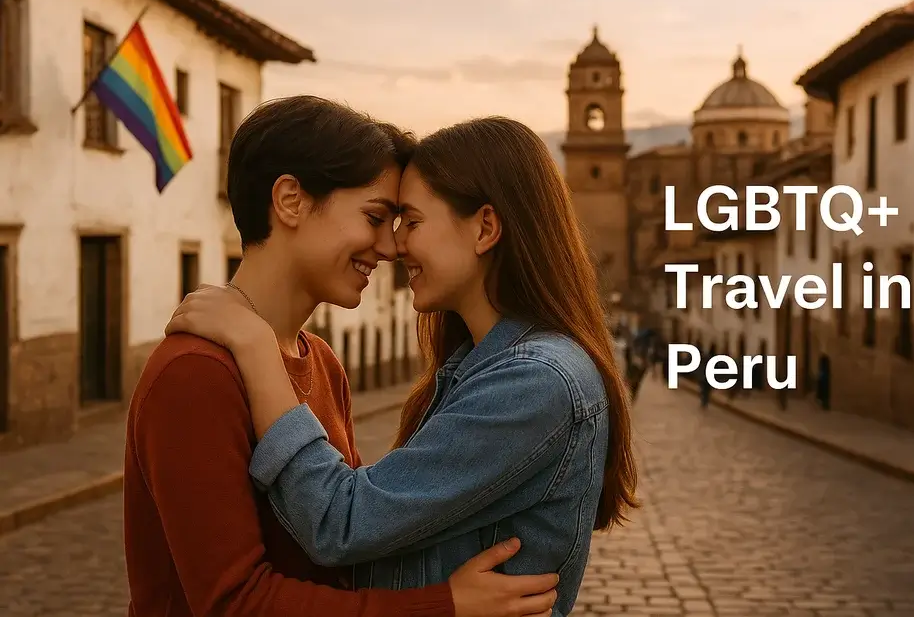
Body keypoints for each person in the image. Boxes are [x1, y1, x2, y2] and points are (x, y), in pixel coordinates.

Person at [166, 116, 641, 617]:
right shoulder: (481, 369)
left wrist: (255, 345)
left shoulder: (535, 380)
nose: (394, 246)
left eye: (409, 221)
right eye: (381, 219)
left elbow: (341, 523)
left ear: (484, 228)